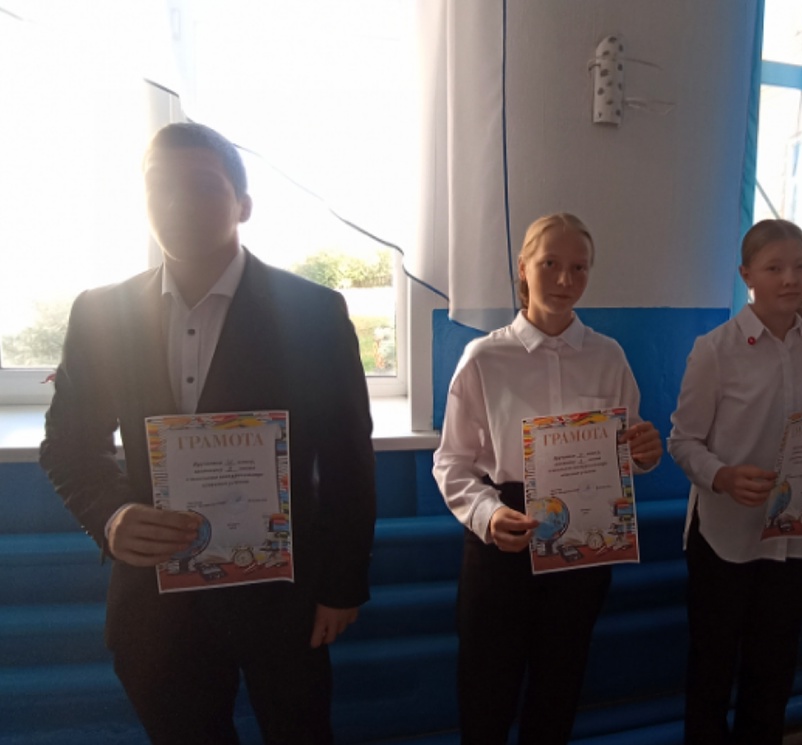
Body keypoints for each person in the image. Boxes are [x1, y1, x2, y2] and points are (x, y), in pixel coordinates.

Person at [39, 122, 378, 745]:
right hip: (157, 597)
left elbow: (348, 460)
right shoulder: (101, 314)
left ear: (243, 204)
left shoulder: (313, 313)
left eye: (201, 185)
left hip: (285, 591)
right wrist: (111, 516)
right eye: (159, 187)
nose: (177, 203)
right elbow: (68, 444)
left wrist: (342, 586)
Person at [432, 212, 663, 745]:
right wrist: (487, 514)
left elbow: (625, 450)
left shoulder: (608, 356)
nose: (565, 279)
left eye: (579, 268)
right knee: (486, 691)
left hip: (583, 540)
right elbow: (452, 461)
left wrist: (643, 455)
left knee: (559, 688)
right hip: (505, 534)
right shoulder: (484, 357)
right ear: (523, 267)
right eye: (550, 264)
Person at [668, 218, 802, 745]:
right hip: (725, 538)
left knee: (774, 666)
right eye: (774, 268)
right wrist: (722, 476)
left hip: (794, 537)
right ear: (746, 276)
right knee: (713, 666)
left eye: (801, 266)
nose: (790, 278)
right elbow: (683, 442)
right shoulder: (716, 350)